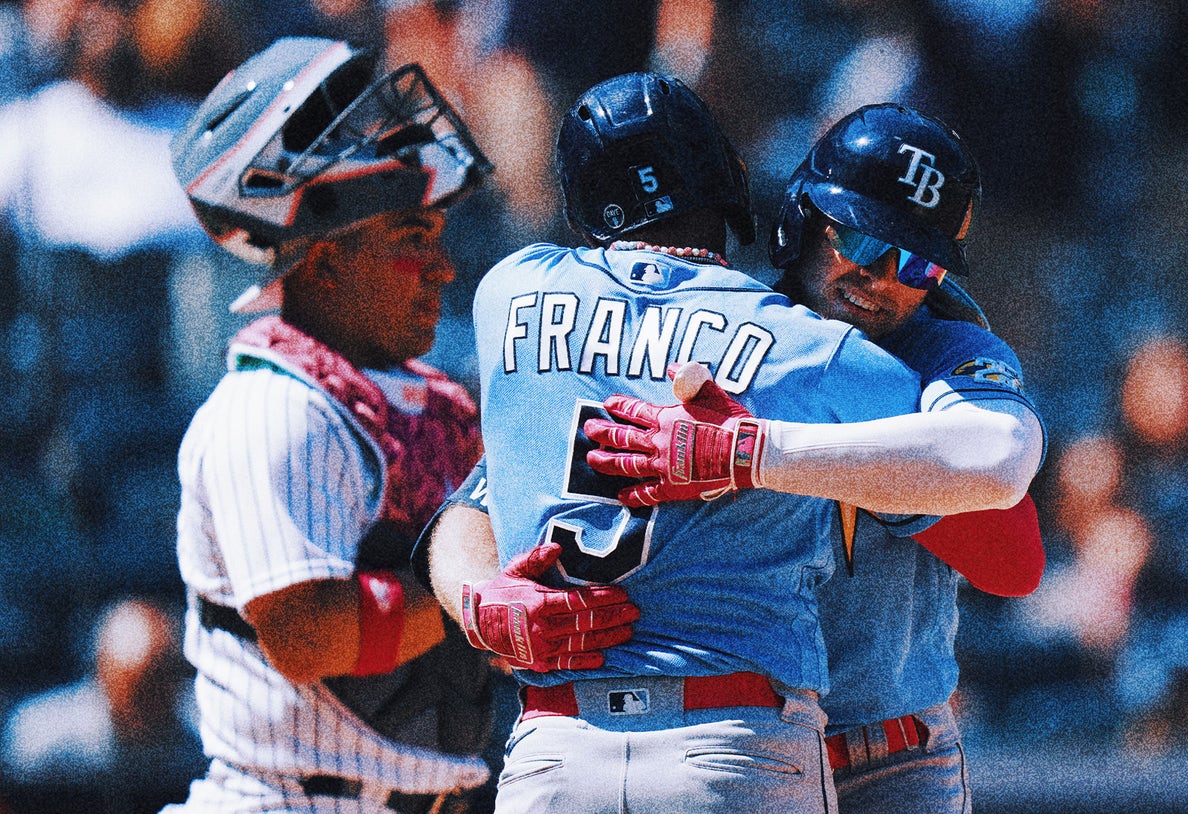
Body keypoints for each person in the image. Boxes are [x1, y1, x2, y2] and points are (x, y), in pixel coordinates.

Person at [424, 72, 934, 814]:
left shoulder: (507, 291)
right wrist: (757, 445)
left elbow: (480, 490)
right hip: (734, 740)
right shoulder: (809, 348)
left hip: (556, 752)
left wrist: (476, 601)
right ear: (726, 180)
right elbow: (958, 468)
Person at [160, 37, 630, 814]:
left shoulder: (424, 402)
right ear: (326, 265)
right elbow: (307, 635)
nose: (444, 270)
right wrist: (479, 594)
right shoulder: (276, 407)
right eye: (413, 242)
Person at [584, 104, 1047, 812]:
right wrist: (476, 592)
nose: (885, 278)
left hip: (893, 754)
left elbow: (1015, 559)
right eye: (862, 241)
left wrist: (760, 448)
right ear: (801, 220)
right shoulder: (726, 329)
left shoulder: (946, 348)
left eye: (919, 263)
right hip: (733, 737)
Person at [1, 597, 204, 813]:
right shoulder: (39, 739)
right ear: (102, 673)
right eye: (135, 688)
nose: (145, 700)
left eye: (157, 680)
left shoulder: (205, 738)